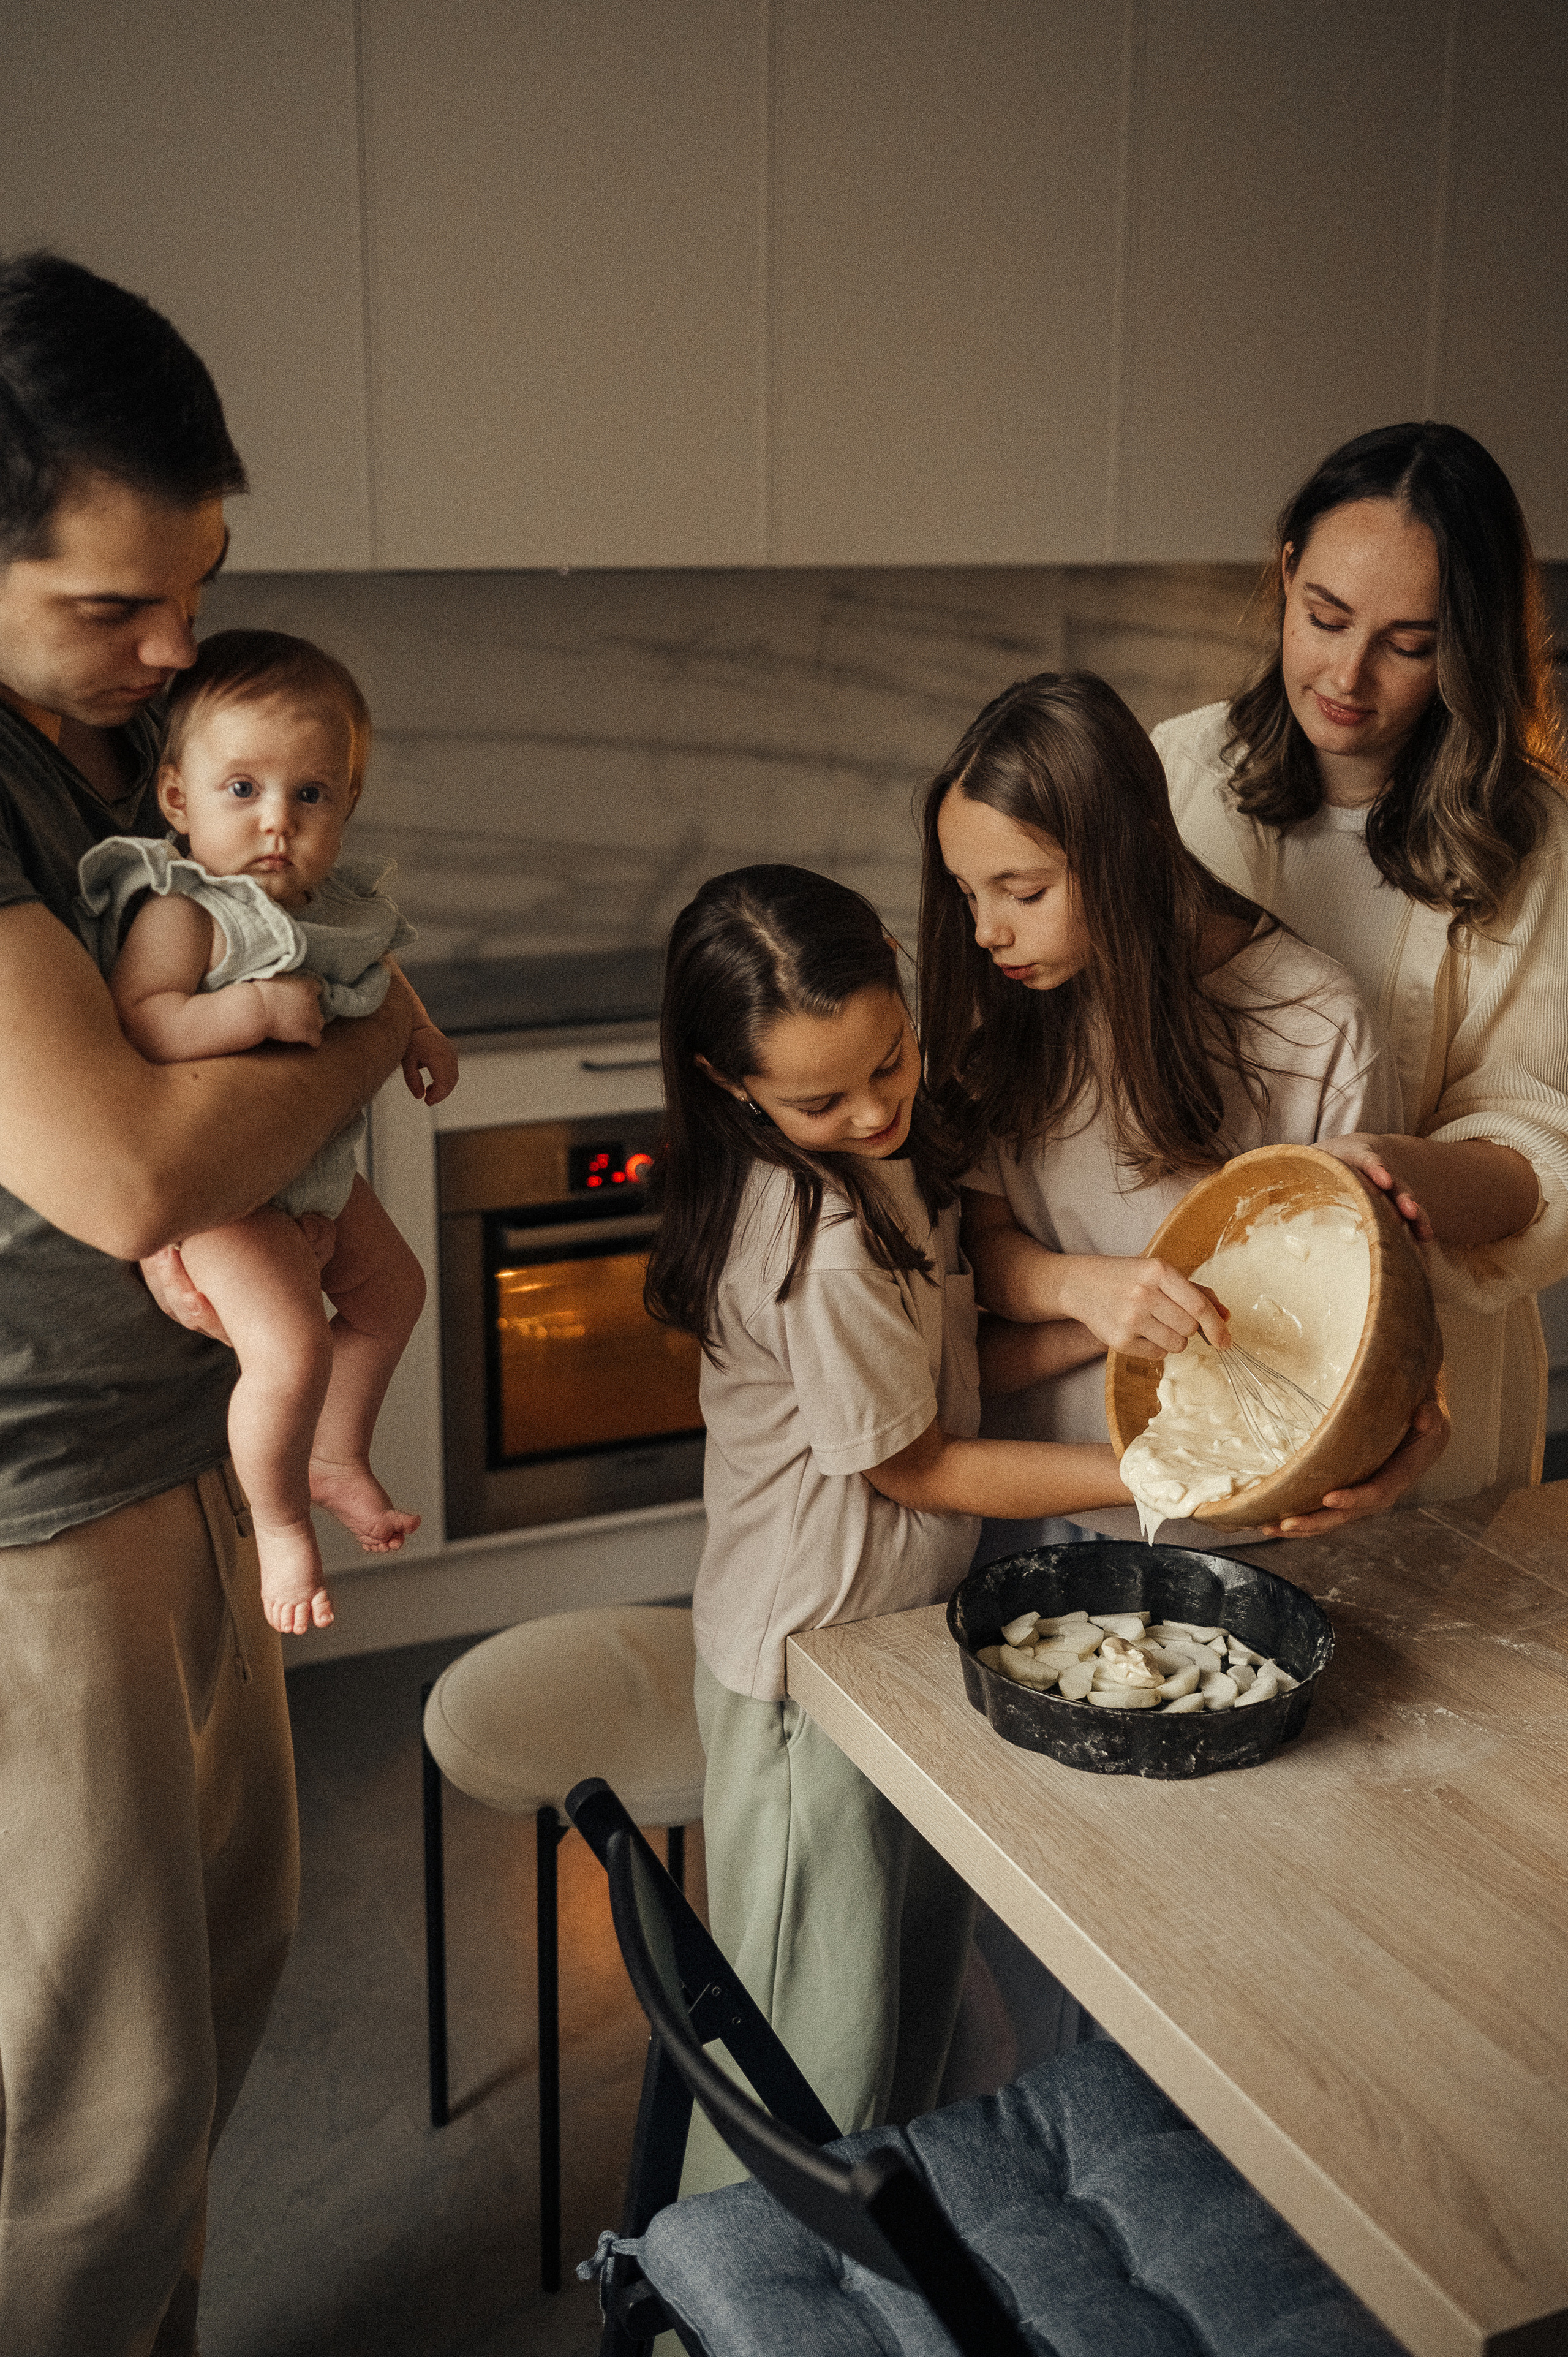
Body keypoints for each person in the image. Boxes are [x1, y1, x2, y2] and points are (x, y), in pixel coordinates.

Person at [0, 252, 418, 2356]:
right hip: (39, 1508)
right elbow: (134, 1170)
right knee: (83, 2121)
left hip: (176, 1438)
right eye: (115, 606)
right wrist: (366, 1032)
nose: (174, 654)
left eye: (202, 588)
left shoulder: (102, 748)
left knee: (216, 1998)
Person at [644, 864, 1133, 2168]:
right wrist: (1147, 1474)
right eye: (822, 1099)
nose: (871, 1109)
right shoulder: (816, 1228)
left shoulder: (887, 1167)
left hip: (882, 1644)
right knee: (806, 2074)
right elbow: (916, 1464)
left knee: (895, 2031)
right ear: (727, 1082)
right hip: (804, 1675)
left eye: (889, 1060)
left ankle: (870, 2262)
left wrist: (1110, 1324)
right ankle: (742, 2277)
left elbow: (952, 1371)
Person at [1153, 422, 1567, 1514]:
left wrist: (1393, 1173)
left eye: (1409, 644)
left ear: (1469, 647)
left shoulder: (1536, 846)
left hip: (1429, 1375)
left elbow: (1543, 1144)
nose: (1347, 675)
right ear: (1287, 571)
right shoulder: (1171, 778)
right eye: (1325, 617)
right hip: (1199, 1347)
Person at [916, 670, 1425, 1536]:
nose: (986, 932)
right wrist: (1079, 1287)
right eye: (968, 893)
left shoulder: (1315, 1025)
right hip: (1036, 1506)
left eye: (1024, 892)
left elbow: (1376, 1298)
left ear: (1135, 849)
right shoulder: (1005, 1004)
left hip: (1249, 1513)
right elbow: (982, 1247)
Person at [78, 629, 458, 1635]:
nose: (277, 820)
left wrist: (420, 1029)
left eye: (311, 794)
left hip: (316, 1169)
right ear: (178, 799)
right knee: (288, 1350)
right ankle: (284, 1526)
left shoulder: (342, 903)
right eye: (242, 789)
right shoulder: (186, 911)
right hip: (229, 1196)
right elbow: (143, 1023)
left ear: (348, 803)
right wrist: (247, 1010)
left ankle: (336, 1452)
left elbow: (380, 967)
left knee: (395, 1293)